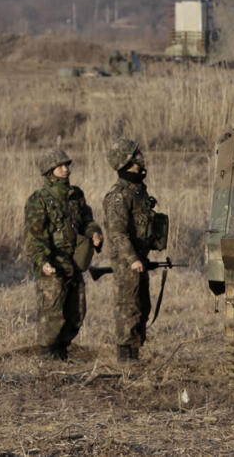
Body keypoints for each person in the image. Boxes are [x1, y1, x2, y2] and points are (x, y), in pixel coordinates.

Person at [23, 148, 103, 360]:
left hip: (74, 263)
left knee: (76, 312)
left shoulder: (76, 195)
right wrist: (42, 262)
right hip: (53, 265)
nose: (66, 169)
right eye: (60, 166)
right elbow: (34, 238)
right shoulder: (38, 200)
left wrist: (94, 233)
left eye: (67, 165)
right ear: (50, 171)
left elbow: (87, 220)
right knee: (51, 315)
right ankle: (46, 358)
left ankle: (61, 352)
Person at [102, 137, 162, 362]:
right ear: (127, 162)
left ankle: (134, 351)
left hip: (140, 256)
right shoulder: (119, 194)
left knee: (142, 305)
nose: (141, 158)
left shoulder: (138, 190)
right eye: (136, 155)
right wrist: (131, 259)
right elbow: (117, 233)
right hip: (129, 259)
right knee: (129, 304)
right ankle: (125, 355)